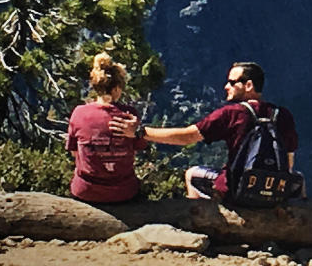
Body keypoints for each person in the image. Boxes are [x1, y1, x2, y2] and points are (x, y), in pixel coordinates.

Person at [112, 61, 299, 200]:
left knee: (192, 174)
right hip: (275, 190)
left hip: (237, 190)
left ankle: (205, 225)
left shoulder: (232, 114)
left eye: (232, 82)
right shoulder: (283, 115)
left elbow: (187, 137)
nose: (226, 86)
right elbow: (289, 162)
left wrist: (140, 132)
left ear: (248, 85)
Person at [66, 52, 147, 203]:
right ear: (116, 89)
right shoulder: (129, 115)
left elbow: (74, 152)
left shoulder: (79, 113)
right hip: (123, 192)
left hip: (86, 191)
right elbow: (138, 147)